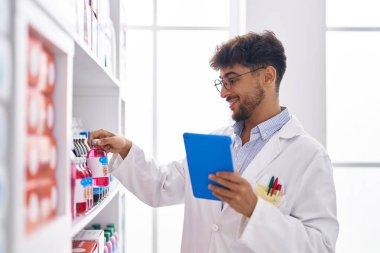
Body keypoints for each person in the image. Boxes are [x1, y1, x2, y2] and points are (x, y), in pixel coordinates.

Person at [88, 31, 339, 253]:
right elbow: (162, 186)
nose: (223, 92)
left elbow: (320, 246)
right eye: (222, 82)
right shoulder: (216, 142)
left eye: (232, 80)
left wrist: (255, 210)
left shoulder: (308, 156)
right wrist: (125, 149)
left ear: (268, 76)